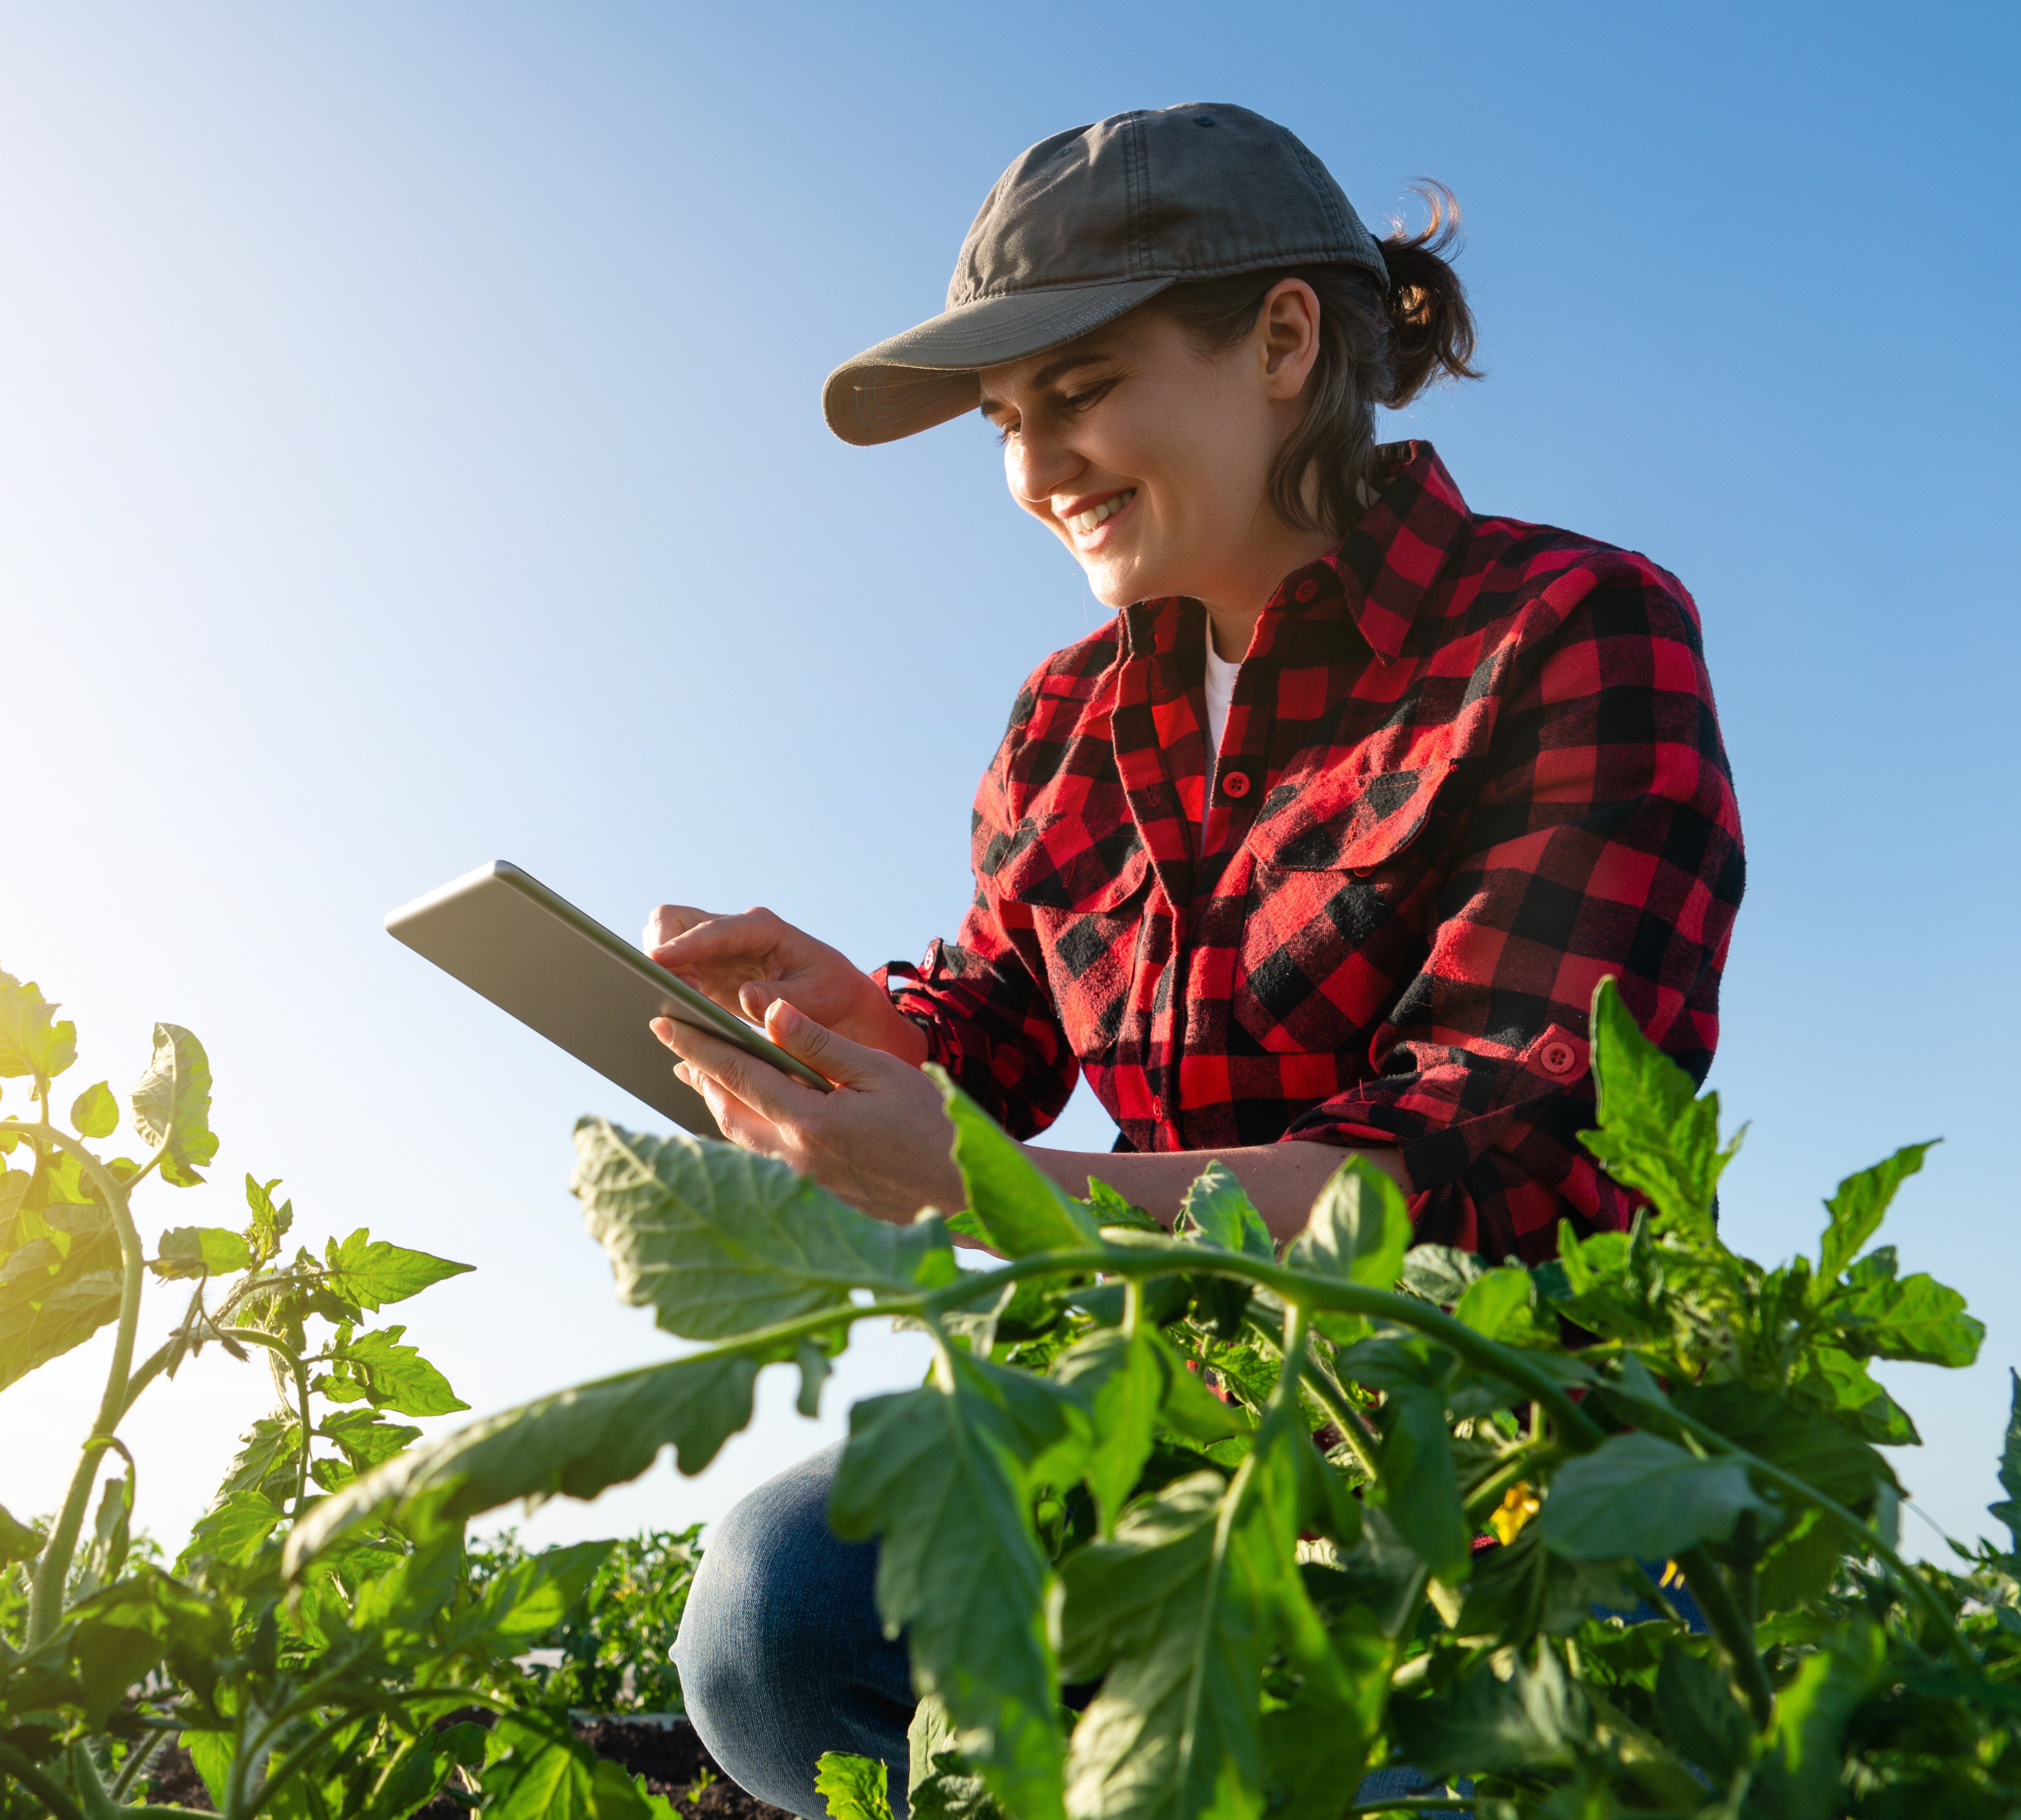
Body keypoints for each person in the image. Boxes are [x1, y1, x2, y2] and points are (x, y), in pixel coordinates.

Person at [646, 105, 1746, 1817]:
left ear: (1285, 341)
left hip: (1501, 1454)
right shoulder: (1062, 725)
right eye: (1006, 424)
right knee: (772, 1622)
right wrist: (867, 1033)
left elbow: (1493, 1169)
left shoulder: (1566, 634)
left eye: (1077, 392)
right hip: (1166, 1421)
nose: (1033, 467)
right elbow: (1000, 1018)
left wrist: (989, 1184)